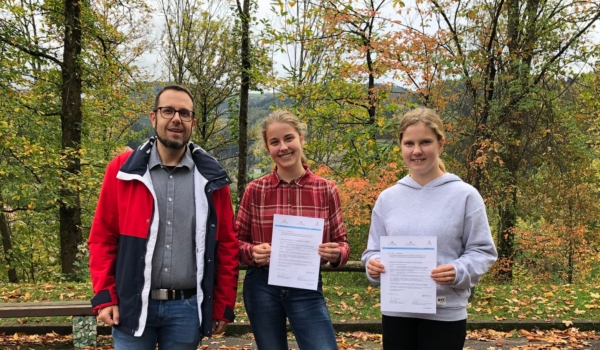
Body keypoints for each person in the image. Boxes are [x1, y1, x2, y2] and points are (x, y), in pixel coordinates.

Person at [88, 84, 239, 350]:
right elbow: (102, 238)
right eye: (168, 110)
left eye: (184, 113)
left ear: (193, 121)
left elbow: (227, 245)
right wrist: (105, 296)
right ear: (153, 117)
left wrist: (223, 304)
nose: (176, 119)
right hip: (132, 303)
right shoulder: (123, 171)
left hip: (187, 309)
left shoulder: (212, 179)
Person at [361, 107, 497, 349]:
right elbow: (372, 252)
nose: (416, 151)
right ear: (400, 146)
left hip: (445, 313)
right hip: (397, 313)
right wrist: (372, 266)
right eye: (409, 143)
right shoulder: (387, 198)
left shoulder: (465, 195)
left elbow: (483, 251)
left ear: (440, 144)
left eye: (425, 142)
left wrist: (458, 270)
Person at [237, 110, 350, 350]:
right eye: (274, 142)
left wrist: (336, 253)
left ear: (301, 139)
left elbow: (342, 243)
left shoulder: (325, 189)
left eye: (289, 138)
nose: (283, 147)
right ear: (268, 148)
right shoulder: (255, 190)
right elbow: (236, 242)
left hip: (306, 286)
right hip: (262, 285)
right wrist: (252, 252)